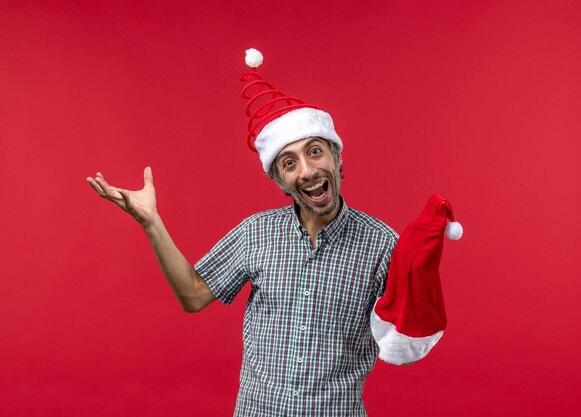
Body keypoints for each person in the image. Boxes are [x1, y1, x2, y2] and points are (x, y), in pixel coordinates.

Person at [86, 49, 442, 416]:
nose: (307, 171)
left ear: (337, 157)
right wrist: (151, 223)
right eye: (290, 163)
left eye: (315, 152)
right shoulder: (256, 233)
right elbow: (192, 296)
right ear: (278, 179)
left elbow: (404, 342)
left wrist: (422, 279)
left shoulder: (383, 244)